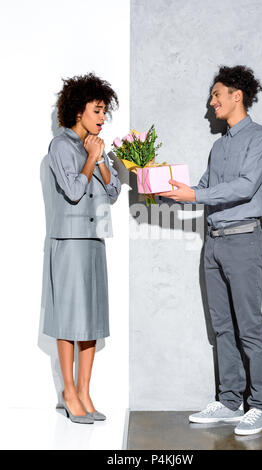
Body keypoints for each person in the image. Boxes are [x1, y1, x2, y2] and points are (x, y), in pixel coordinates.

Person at [157, 65, 262, 436]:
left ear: (236, 96)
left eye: (216, 95)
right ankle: (229, 401)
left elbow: (244, 187)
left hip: (243, 240)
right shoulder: (219, 146)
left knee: (249, 327)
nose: (212, 104)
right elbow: (204, 188)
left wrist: (195, 193)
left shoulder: (260, 139)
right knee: (222, 327)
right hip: (214, 244)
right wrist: (166, 183)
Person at [41, 72, 121, 424]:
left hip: (94, 241)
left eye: (104, 111)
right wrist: (90, 157)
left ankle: (85, 391)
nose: (103, 118)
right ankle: (68, 393)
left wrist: (101, 159)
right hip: (69, 243)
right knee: (70, 319)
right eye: (98, 110)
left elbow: (114, 193)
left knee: (91, 320)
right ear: (79, 110)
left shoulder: (97, 147)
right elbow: (73, 191)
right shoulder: (60, 146)